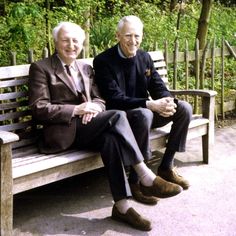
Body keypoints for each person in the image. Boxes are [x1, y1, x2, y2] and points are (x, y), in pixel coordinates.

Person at [28, 21, 182, 232]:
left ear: (81, 44)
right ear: (55, 42)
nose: (71, 45)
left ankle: (122, 207)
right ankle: (146, 176)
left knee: (110, 139)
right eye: (65, 40)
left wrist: (95, 108)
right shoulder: (41, 68)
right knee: (118, 116)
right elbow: (38, 108)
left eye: (75, 41)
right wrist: (76, 110)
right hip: (62, 132)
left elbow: (101, 99)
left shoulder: (85, 67)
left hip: (89, 126)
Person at [93, 15, 193, 204]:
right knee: (144, 113)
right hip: (122, 118)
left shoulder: (144, 57)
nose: (133, 41)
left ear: (142, 36)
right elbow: (114, 98)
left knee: (184, 108)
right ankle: (136, 181)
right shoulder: (103, 61)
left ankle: (166, 166)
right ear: (118, 36)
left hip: (144, 113)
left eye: (137, 36)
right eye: (128, 36)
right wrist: (149, 104)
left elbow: (158, 85)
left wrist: (168, 101)